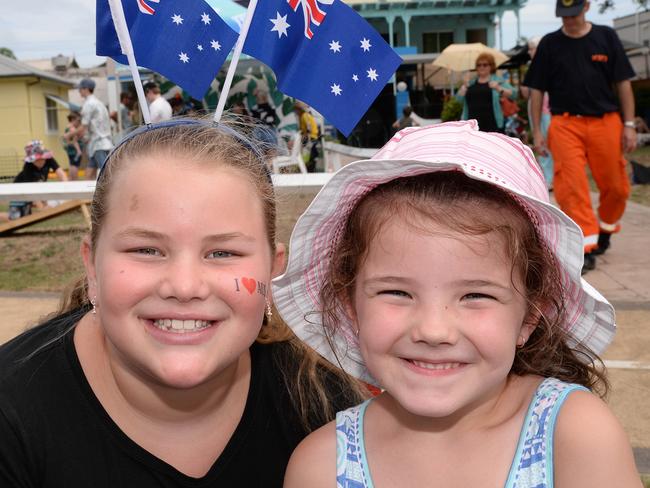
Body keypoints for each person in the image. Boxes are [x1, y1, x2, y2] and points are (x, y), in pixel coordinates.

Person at [0, 119, 366, 487]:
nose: (185, 285)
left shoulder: (327, 410)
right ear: (92, 267)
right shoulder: (12, 413)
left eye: (223, 252)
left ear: (272, 272)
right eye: (146, 250)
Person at [276, 121, 641, 488]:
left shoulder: (575, 436)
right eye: (397, 293)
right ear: (351, 306)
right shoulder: (320, 466)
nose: (434, 330)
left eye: (475, 296)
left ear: (530, 314)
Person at [524, 0, 637, 273]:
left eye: (573, 14)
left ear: (586, 7)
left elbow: (623, 83)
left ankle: (606, 227)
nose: (569, 20)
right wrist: (538, 131)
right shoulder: (550, 45)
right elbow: (536, 92)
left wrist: (630, 124)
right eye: (563, 16)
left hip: (606, 122)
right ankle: (586, 248)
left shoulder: (606, 37)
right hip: (565, 125)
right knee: (571, 187)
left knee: (617, 186)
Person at [3, 140, 70, 221]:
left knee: (28, 216)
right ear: (32, 160)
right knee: (16, 218)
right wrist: (42, 210)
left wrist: (67, 190)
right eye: (38, 159)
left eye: (43, 158)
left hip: (37, 191)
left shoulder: (49, 159)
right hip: (18, 192)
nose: (42, 160)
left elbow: (62, 174)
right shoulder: (27, 167)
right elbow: (32, 191)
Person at [520, 36, 554, 190]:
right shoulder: (530, 68)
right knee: (539, 142)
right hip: (534, 110)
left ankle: (550, 178)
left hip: (548, 110)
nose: (530, 52)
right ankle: (545, 178)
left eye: (533, 48)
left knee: (549, 143)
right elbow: (527, 93)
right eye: (530, 48)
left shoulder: (549, 65)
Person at [456, 52, 516, 133]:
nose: (481, 67)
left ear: (491, 66)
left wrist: (498, 88)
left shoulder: (497, 80)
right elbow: (458, 100)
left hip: (492, 124)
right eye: (479, 65)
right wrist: (464, 87)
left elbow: (514, 95)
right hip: (472, 126)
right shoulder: (470, 83)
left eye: (485, 65)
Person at [78, 78, 114, 180]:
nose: (79, 91)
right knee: (89, 173)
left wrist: (70, 136)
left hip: (99, 144)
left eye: (80, 89)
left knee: (106, 173)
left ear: (86, 89)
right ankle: (87, 194)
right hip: (102, 142)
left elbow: (84, 126)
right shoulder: (99, 103)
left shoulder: (89, 104)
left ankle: (113, 194)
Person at [294, 102, 320, 172]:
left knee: (309, 155)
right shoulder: (307, 115)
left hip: (310, 138)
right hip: (313, 137)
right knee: (311, 155)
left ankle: (309, 170)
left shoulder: (304, 116)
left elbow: (309, 128)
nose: (295, 112)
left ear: (298, 109)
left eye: (295, 110)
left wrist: (305, 136)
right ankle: (310, 169)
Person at [62, 111, 85, 180]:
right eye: (78, 120)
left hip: (70, 150)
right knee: (75, 165)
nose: (79, 122)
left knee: (72, 164)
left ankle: (71, 179)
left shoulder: (67, 127)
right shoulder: (72, 128)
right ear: (72, 119)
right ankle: (75, 180)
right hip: (75, 150)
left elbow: (67, 140)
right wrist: (78, 150)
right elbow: (74, 140)